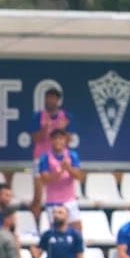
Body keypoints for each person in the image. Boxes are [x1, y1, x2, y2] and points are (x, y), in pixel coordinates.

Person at [30, 87, 75, 219]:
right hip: (39, 158)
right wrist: (46, 129)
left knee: (61, 193)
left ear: (58, 100)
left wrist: (63, 129)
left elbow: (70, 140)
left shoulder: (67, 117)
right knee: (38, 194)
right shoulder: (38, 116)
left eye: (53, 98)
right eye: (47, 98)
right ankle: (35, 223)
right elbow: (35, 139)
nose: (50, 101)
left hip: (60, 159)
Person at [37, 128, 85, 232]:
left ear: (65, 140)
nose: (58, 141)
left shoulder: (72, 155)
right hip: (53, 201)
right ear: (51, 141)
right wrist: (59, 173)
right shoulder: (45, 158)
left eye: (61, 138)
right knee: (56, 230)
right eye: (55, 138)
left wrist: (68, 168)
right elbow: (44, 179)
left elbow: (79, 177)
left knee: (77, 228)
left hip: (70, 200)